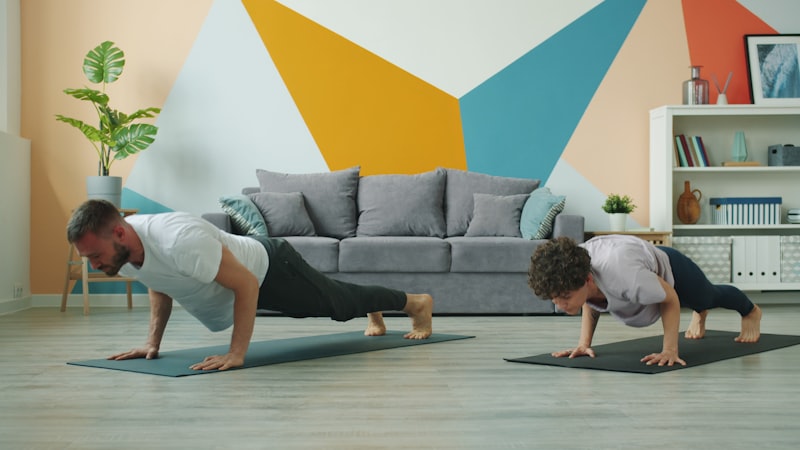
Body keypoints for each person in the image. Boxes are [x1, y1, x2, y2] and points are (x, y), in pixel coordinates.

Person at [67, 199, 434, 371]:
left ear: (119, 233)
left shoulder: (179, 239)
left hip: (271, 268)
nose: (94, 265)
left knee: (338, 306)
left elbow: (245, 285)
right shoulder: (121, 254)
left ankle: (416, 303)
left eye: (95, 255)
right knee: (340, 298)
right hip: (254, 274)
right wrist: (152, 343)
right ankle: (367, 303)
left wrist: (236, 353)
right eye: (88, 258)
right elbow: (157, 281)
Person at [527, 235, 762, 367]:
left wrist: (669, 350)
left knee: (709, 296)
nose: (559, 305)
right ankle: (700, 312)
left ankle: (750, 310)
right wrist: (583, 344)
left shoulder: (625, 276)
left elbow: (670, 298)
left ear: (588, 279)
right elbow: (589, 297)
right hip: (639, 264)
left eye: (565, 297)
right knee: (699, 301)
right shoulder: (575, 270)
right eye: (554, 299)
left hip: (673, 268)